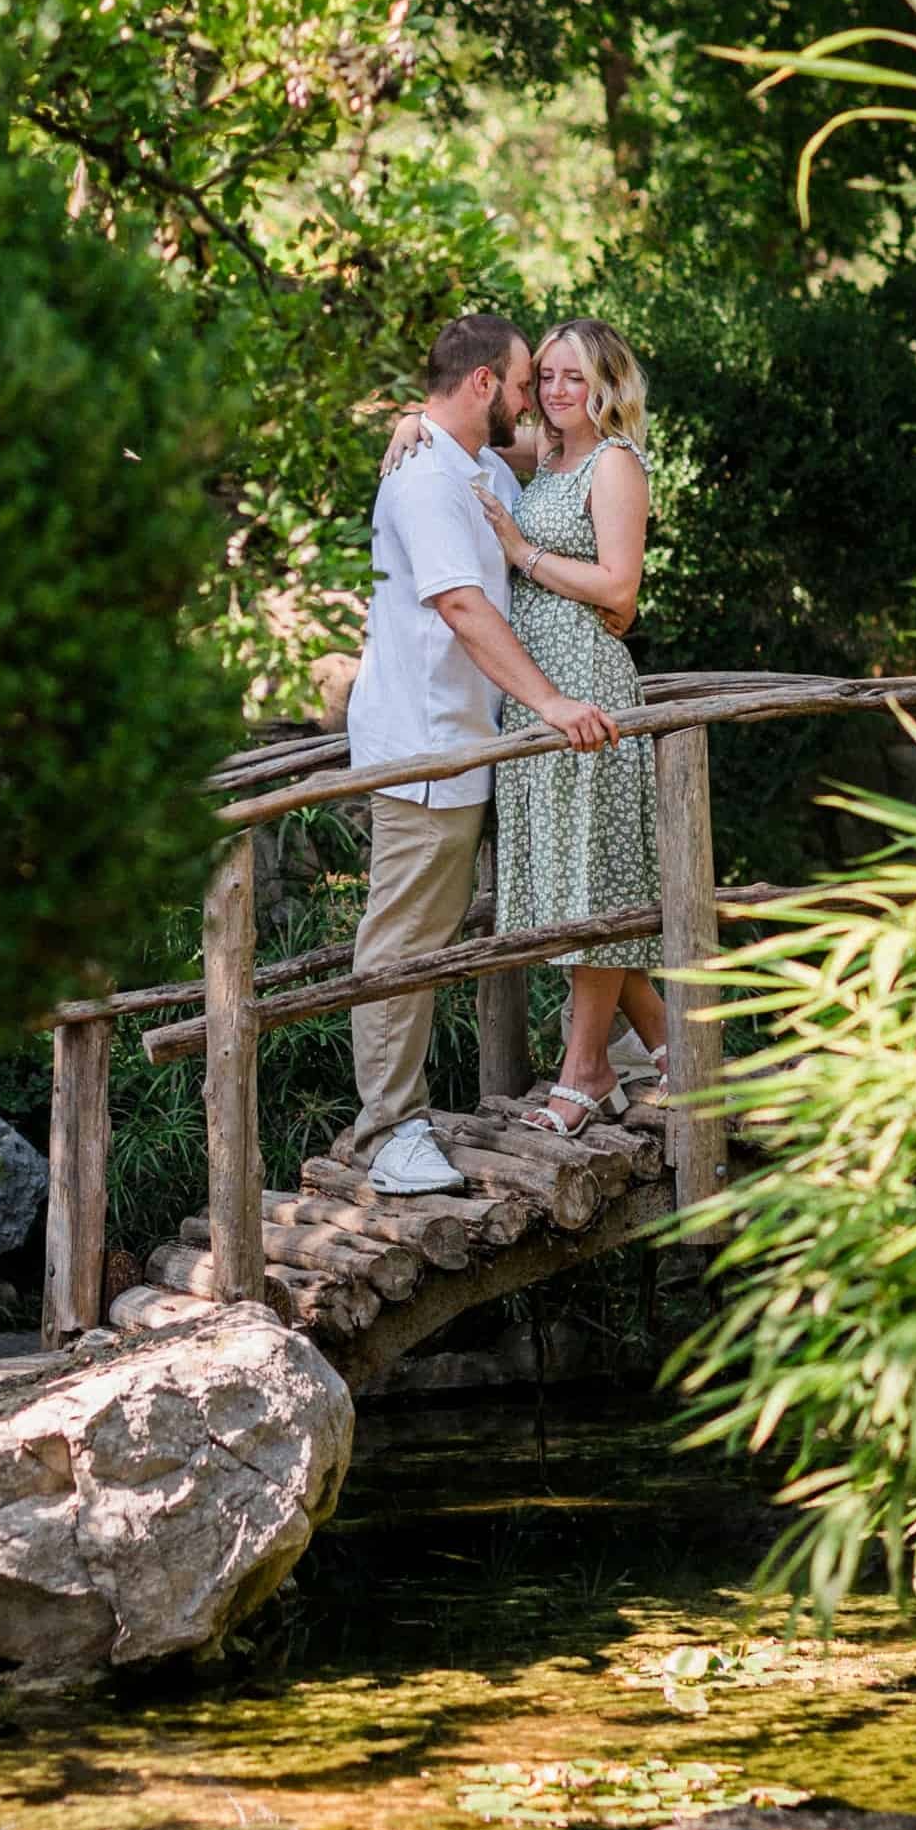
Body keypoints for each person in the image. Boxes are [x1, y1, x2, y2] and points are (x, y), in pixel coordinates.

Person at [346, 312, 618, 1198]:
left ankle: (634, 1048)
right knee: (403, 940)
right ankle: (388, 1132)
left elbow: (573, 460)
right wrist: (548, 701)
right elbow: (462, 606)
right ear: (481, 387)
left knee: (562, 896)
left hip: (470, 746)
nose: (534, 395)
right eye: (521, 379)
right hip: (423, 751)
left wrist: (412, 413)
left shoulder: (478, 464)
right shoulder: (427, 480)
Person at [484, 318, 667, 1135]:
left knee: (591, 881)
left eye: (573, 377)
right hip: (536, 692)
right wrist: (412, 419)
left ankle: (586, 1071)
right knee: (567, 884)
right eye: (547, 376)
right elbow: (470, 432)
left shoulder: (613, 462)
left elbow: (619, 589)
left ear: (605, 383)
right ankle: (679, 1053)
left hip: (585, 685)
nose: (557, 392)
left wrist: (521, 553)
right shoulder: (547, 452)